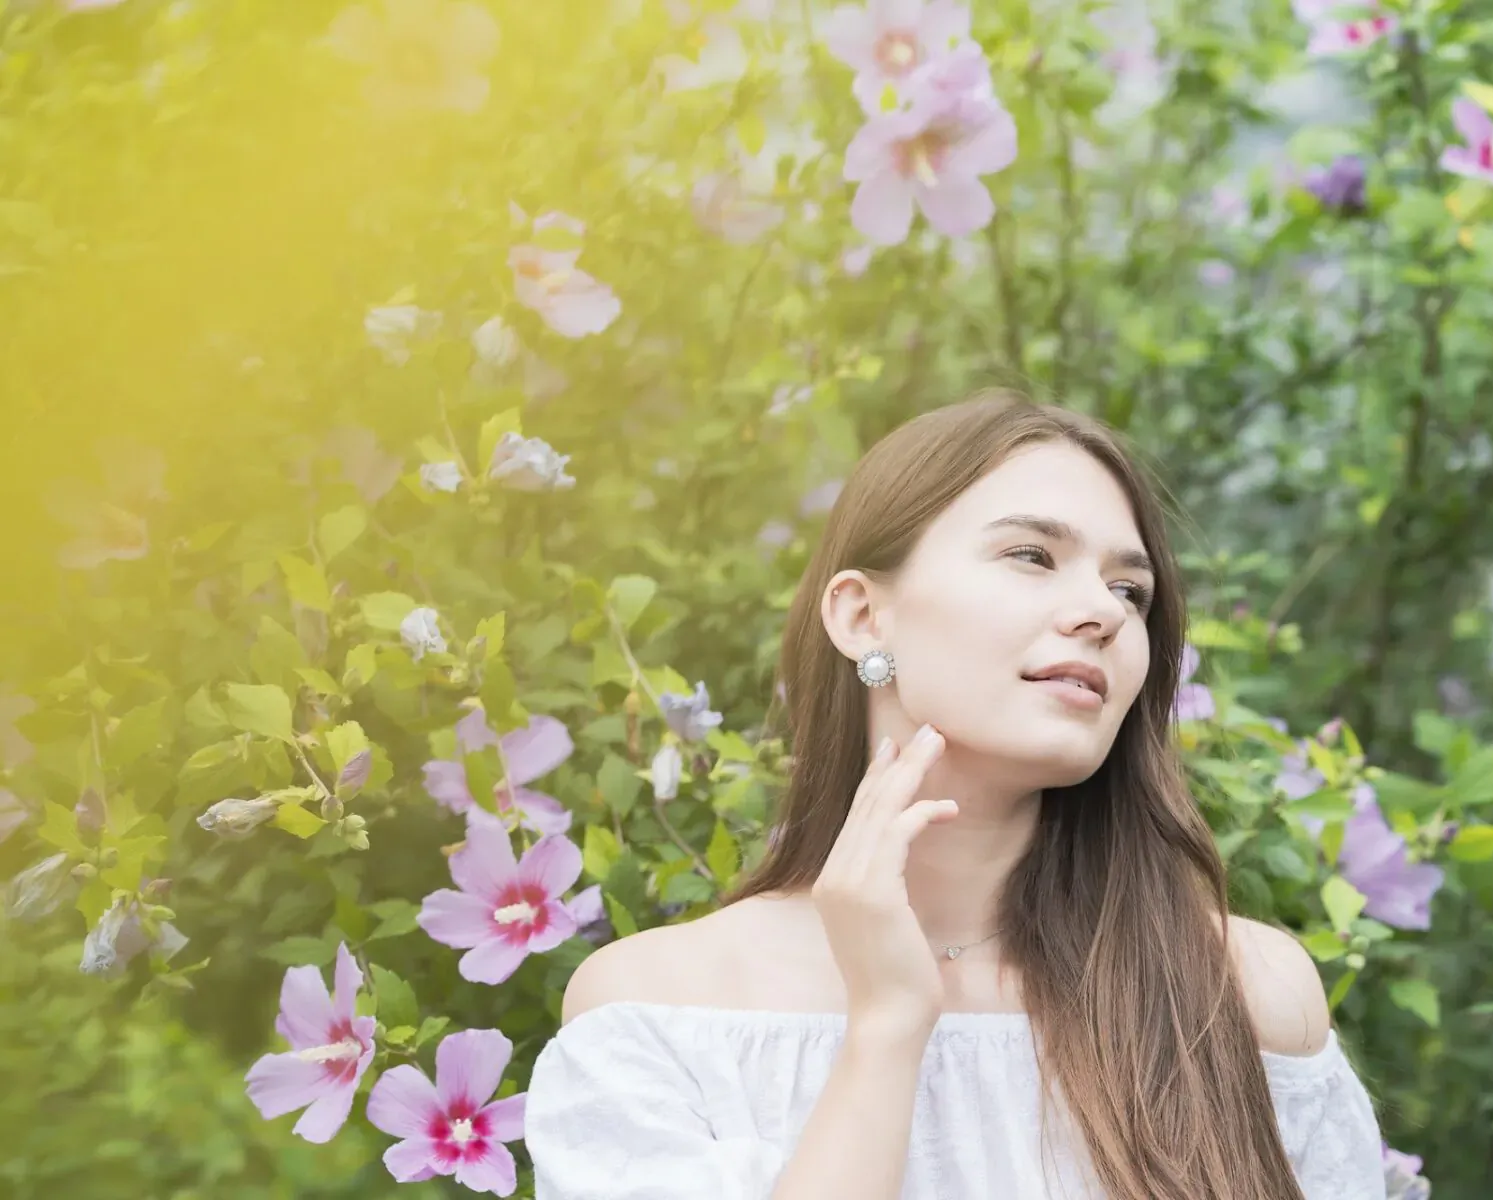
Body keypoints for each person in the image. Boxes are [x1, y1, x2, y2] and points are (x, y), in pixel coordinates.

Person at [524, 390, 1388, 1199]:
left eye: (1131, 589)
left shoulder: (1242, 993)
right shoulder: (660, 1008)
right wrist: (889, 1025)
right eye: (1031, 555)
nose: (1105, 612)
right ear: (863, 616)